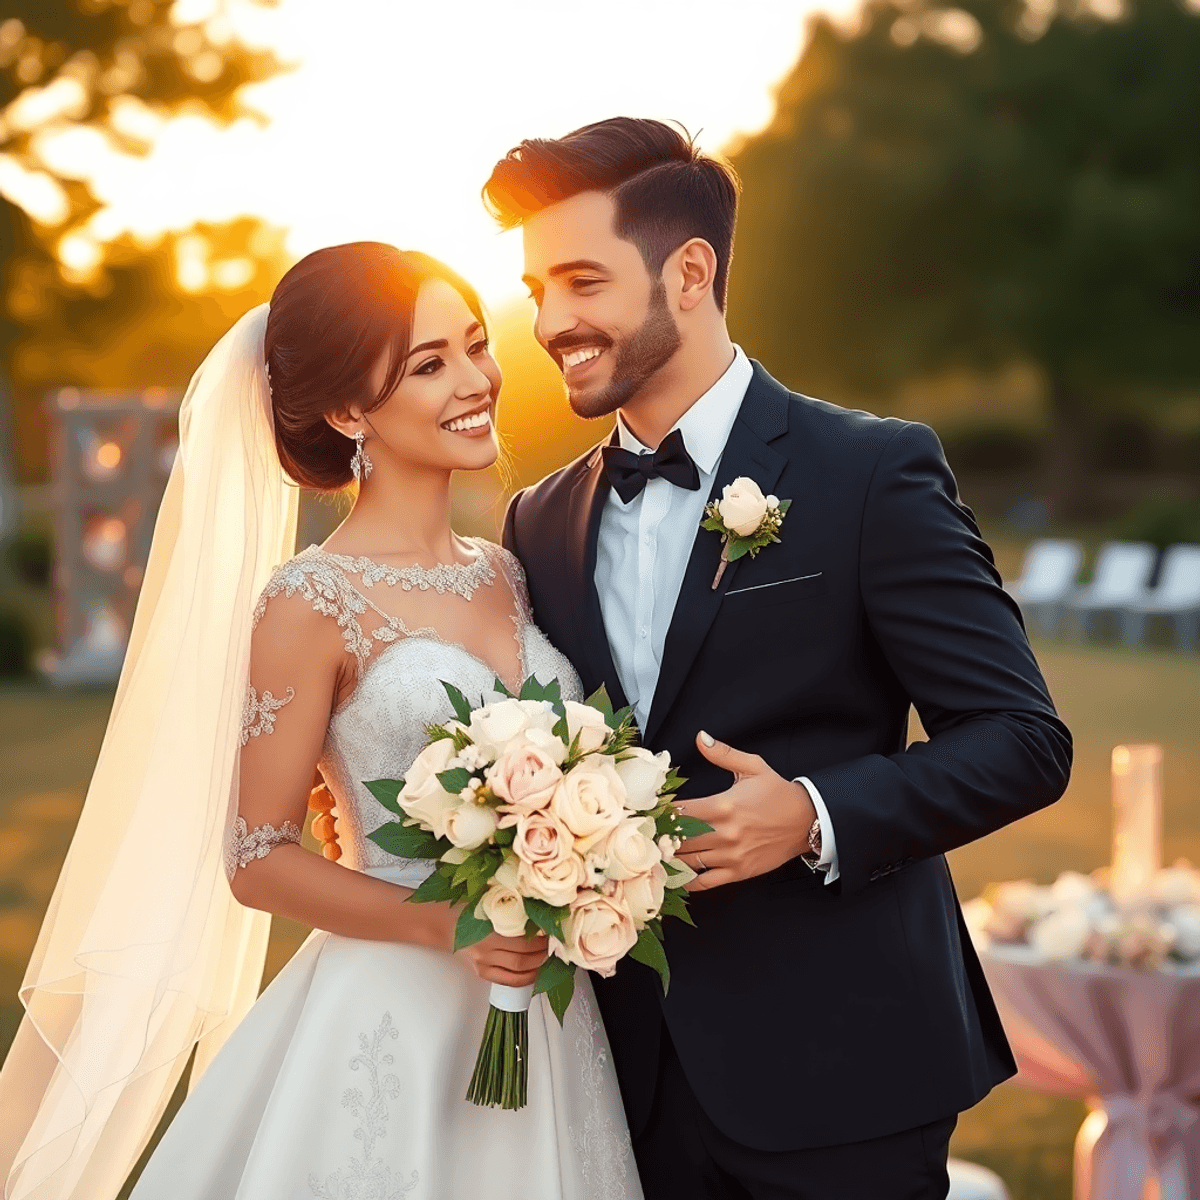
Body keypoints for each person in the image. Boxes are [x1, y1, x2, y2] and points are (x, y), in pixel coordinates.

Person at [487, 117, 1073, 1200]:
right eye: (535, 290)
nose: (549, 322)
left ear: (689, 273)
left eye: (581, 281)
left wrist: (812, 813)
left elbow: (1023, 741)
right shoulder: (538, 518)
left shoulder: (871, 472)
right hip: (621, 1081)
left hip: (844, 1067)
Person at [0, 243, 641, 1200]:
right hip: (395, 1011)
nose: (475, 381)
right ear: (348, 412)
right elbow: (256, 856)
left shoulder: (504, 572)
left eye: (475, 345)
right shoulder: (310, 600)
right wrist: (454, 924)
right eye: (428, 365)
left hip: (543, 1009)